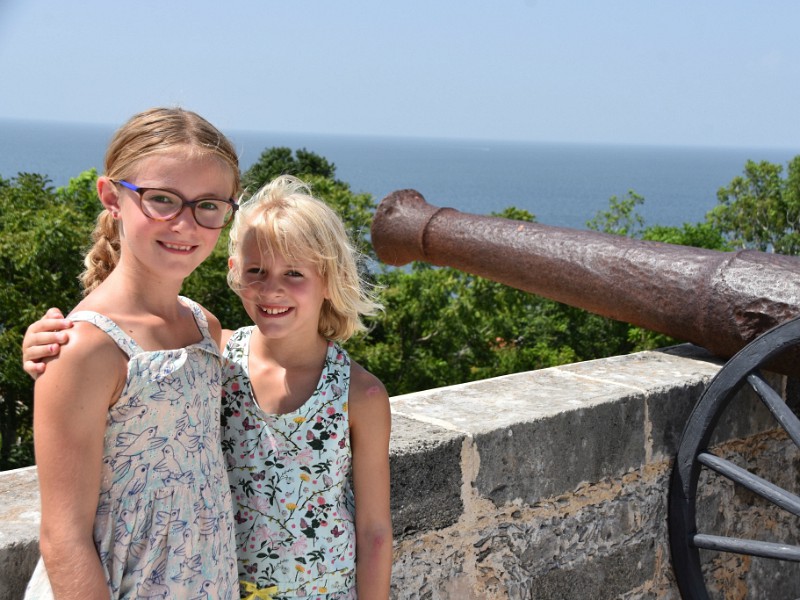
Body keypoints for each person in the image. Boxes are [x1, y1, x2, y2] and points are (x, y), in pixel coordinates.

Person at [24, 175, 394, 599]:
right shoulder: (212, 353)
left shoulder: (360, 395)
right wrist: (47, 344)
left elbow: (375, 530)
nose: (272, 288)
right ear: (234, 272)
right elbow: (127, 346)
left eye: (294, 273)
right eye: (256, 270)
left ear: (329, 279)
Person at [24, 107, 241, 599]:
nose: (185, 224)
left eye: (208, 205)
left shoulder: (202, 326)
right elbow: (63, 538)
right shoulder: (84, 349)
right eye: (162, 199)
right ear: (112, 197)